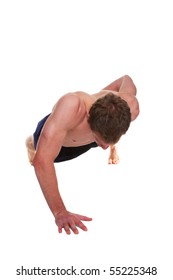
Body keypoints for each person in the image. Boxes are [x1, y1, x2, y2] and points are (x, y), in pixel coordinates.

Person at [26, 75, 139, 235]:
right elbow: (42, 161)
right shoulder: (72, 107)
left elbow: (125, 79)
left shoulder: (131, 106)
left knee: (104, 141)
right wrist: (60, 212)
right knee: (37, 152)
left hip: (83, 138)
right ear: (89, 118)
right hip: (58, 139)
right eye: (100, 140)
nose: (105, 148)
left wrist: (104, 101)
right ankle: (30, 142)